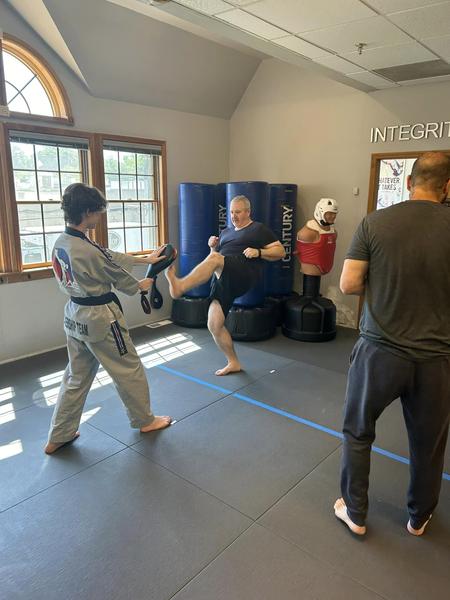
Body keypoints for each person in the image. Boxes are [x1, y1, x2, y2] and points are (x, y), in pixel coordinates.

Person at [334, 151, 450, 536]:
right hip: (436, 359)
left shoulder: (375, 222)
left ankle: (355, 512)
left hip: (379, 352)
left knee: (358, 431)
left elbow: (349, 283)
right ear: (448, 187)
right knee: (428, 444)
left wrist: (386, 283)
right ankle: (419, 518)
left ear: (409, 182)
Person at [45, 183, 172, 455]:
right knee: (128, 369)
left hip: (74, 316)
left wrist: (145, 259)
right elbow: (115, 273)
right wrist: (141, 285)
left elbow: (109, 256)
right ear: (87, 212)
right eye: (97, 212)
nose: (99, 216)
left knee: (76, 376)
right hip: (101, 319)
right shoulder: (87, 250)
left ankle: (59, 434)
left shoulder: (62, 242)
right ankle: (145, 421)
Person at [166, 195, 285, 375]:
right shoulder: (226, 233)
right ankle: (233, 362)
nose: (233, 216)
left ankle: (180, 286)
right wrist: (212, 247)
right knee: (214, 324)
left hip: (244, 272)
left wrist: (259, 252)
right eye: (231, 212)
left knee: (215, 258)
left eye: (238, 212)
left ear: (248, 212)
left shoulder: (258, 229)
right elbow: (214, 261)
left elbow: (280, 252)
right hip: (224, 278)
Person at [296, 198, 338, 276]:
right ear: (320, 213)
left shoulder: (333, 232)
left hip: (326, 264)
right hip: (311, 267)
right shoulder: (308, 233)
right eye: (329, 213)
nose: (333, 216)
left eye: (334, 213)